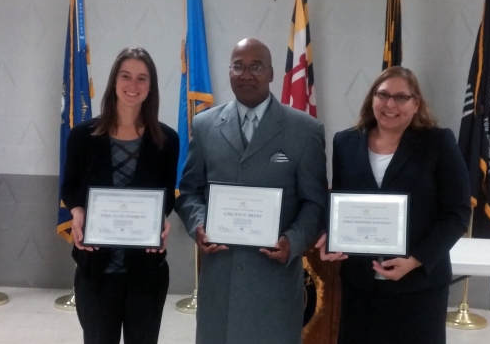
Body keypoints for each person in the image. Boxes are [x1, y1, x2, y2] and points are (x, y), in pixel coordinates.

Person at [175, 38, 327, 344]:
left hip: (274, 281)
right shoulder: (204, 125)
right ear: (229, 72)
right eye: (238, 66)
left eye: (256, 67)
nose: (247, 74)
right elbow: (189, 191)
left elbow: (316, 203)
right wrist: (199, 225)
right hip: (220, 279)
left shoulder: (305, 130)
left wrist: (292, 241)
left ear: (271, 74)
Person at [316, 66, 471, 344]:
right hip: (360, 283)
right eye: (383, 95)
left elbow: (457, 213)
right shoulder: (345, 142)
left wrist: (416, 260)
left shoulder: (438, 142)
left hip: (419, 284)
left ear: (416, 104)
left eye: (401, 97)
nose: (390, 104)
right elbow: (341, 203)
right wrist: (332, 234)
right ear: (372, 99)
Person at [62, 47, 179, 344]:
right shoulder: (82, 136)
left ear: (150, 87)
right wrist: (77, 211)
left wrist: (163, 221)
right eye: (126, 76)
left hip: (146, 269)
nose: (133, 85)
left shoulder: (166, 140)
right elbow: (69, 187)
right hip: (96, 268)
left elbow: (166, 196)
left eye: (142, 78)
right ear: (114, 81)